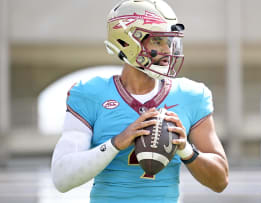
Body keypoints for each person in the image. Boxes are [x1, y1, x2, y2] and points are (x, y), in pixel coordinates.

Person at [51, 0, 229, 202]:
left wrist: (186, 149)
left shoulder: (192, 95)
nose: (168, 51)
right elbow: (61, 178)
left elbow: (220, 180)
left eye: (169, 42)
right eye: (157, 41)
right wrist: (116, 143)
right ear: (127, 41)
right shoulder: (90, 93)